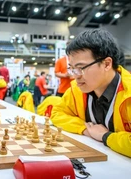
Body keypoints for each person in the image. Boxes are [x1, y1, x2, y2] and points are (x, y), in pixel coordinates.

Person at [51, 29, 131, 157]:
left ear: (106, 64)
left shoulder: (128, 93)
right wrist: (86, 130)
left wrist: (105, 136)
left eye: (81, 68)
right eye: (72, 69)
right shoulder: (77, 89)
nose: (75, 76)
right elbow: (57, 114)